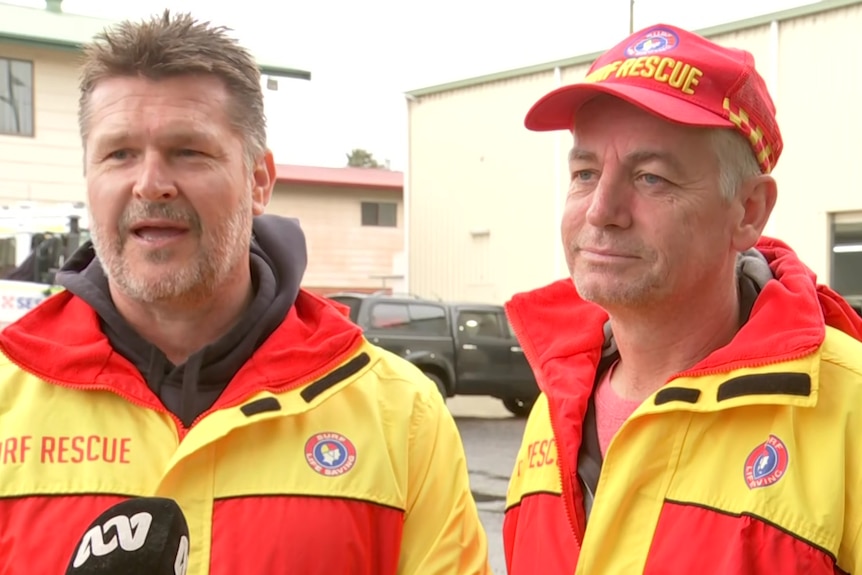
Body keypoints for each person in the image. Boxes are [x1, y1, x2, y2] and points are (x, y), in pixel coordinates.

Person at [0, 10, 491, 575]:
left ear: (259, 180)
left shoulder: (400, 416)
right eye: (119, 153)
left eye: (189, 151)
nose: (150, 182)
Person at [502, 23, 862, 575]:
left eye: (650, 177)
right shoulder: (557, 405)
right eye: (584, 172)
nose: (602, 209)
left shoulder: (847, 414)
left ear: (748, 211)